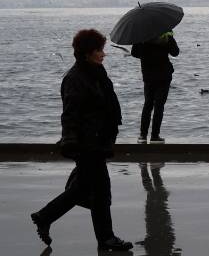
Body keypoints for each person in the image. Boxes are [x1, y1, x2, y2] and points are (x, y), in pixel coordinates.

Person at [30, 29, 133, 251]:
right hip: (87, 143)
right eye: (99, 50)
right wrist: (70, 141)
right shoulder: (75, 78)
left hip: (98, 140)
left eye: (103, 50)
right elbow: (70, 113)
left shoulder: (96, 73)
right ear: (87, 53)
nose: (103, 54)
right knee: (96, 190)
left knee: (91, 189)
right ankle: (47, 217)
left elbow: (106, 105)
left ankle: (49, 218)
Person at [131, 31, 180, 144]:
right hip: (164, 75)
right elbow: (175, 52)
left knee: (148, 104)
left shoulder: (142, 35)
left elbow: (135, 53)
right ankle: (155, 136)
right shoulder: (165, 34)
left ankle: (143, 136)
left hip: (148, 75)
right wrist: (170, 38)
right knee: (159, 105)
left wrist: (141, 43)